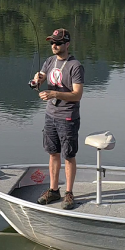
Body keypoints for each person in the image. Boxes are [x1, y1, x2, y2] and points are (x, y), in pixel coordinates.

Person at [31, 28, 84, 210]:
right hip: (50, 115)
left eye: (58, 43)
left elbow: (77, 95)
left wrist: (55, 93)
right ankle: (53, 190)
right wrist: (36, 81)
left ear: (67, 44)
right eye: (52, 42)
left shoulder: (75, 66)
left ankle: (68, 193)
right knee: (53, 153)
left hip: (68, 117)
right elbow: (42, 77)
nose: (54, 45)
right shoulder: (49, 61)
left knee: (68, 155)